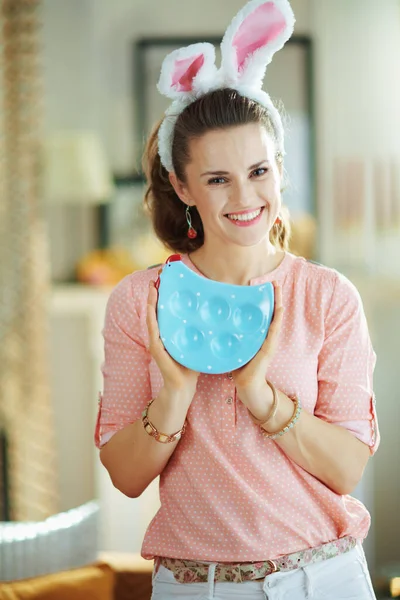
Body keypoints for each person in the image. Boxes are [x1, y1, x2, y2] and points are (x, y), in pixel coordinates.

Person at [95, 1, 380, 598]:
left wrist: (259, 394)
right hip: (196, 587)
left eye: (259, 171)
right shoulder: (138, 300)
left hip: (322, 579)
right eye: (218, 179)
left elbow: (347, 468)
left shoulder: (328, 297)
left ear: (279, 169)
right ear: (182, 185)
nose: (245, 196)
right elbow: (124, 475)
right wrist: (175, 394)